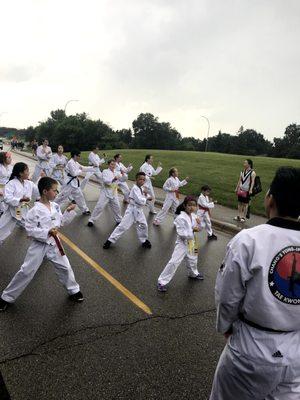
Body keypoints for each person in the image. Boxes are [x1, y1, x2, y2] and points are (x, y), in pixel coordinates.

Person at [210, 167, 300, 400]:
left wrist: (225, 326)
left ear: (270, 199)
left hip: (251, 350)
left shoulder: (249, 240)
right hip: (296, 353)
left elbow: (227, 295)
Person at [0, 177, 84, 311]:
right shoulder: (34, 211)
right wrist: (47, 232)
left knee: (65, 267)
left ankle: (74, 290)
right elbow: (30, 230)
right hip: (39, 245)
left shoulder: (55, 206)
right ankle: (6, 297)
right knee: (27, 271)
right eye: (54, 190)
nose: (57, 193)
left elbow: (61, 222)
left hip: (55, 244)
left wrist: (68, 212)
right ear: (45, 191)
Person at [157, 196, 203, 292]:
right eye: (189, 205)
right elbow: (182, 234)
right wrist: (193, 229)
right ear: (185, 205)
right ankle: (162, 282)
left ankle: (193, 274)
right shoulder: (180, 218)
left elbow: (199, 228)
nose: (192, 207)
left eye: (194, 206)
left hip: (192, 242)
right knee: (174, 262)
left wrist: (199, 224)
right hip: (182, 243)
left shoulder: (194, 216)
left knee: (193, 259)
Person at [103, 172, 152, 249]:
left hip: (139, 210)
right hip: (132, 210)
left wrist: (148, 195)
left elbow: (144, 195)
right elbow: (140, 200)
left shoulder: (142, 188)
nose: (142, 181)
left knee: (143, 225)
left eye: (143, 179)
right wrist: (147, 198)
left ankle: (144, 240)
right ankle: (109, 241)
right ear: (136, 179)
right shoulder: (134, 189)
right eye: (140, 179)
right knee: (123, 226)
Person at [0, 162, 39, 245]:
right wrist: (20, 200)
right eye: (27, 171)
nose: (29, 173)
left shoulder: (29, 183)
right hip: (13, 211)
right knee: (3, 228)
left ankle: (44, 245)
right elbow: (7, 198)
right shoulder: (12, 183)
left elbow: (38, 193)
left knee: (29, 223)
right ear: (21, 173)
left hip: (22, 210)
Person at [87, 159, 126, 227]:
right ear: (108, 165)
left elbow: (123, 179)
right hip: (105, 192)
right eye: (111, 164)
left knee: (117, 207)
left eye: (114, 165)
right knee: (100, 206)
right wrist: (114, 179)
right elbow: (105, 181)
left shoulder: (117, 172)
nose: (113, 166)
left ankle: (119, 219)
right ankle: (92, 220)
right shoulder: (105, 171)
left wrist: (123, 174)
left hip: (114, 192)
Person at [55, 150, 93, 215]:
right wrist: (80, 170)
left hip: (75, 184)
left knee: (80, 196)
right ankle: (51, 207)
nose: (79, 157)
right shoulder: (70, 163)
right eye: (79, 156)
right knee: (61, 197)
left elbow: (83, 168)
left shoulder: (76, 163)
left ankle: (85, 210)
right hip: (68, 184)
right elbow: (74, 173)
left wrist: (92, 168)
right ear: (75, 155)